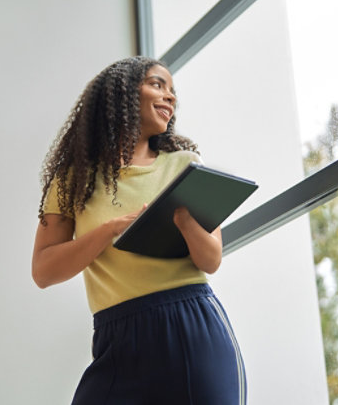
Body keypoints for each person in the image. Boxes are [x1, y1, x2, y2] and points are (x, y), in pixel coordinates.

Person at [32, 56, 246, 405]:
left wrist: (182, 219)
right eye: (157, 84)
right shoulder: (73, 180)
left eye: (173, 91)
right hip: (117, 335)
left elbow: (210, 259)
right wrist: (109, 230)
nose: (170, 97)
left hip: (191, 323)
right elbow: (43, 271)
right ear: (121, 95)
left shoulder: (185, 165)